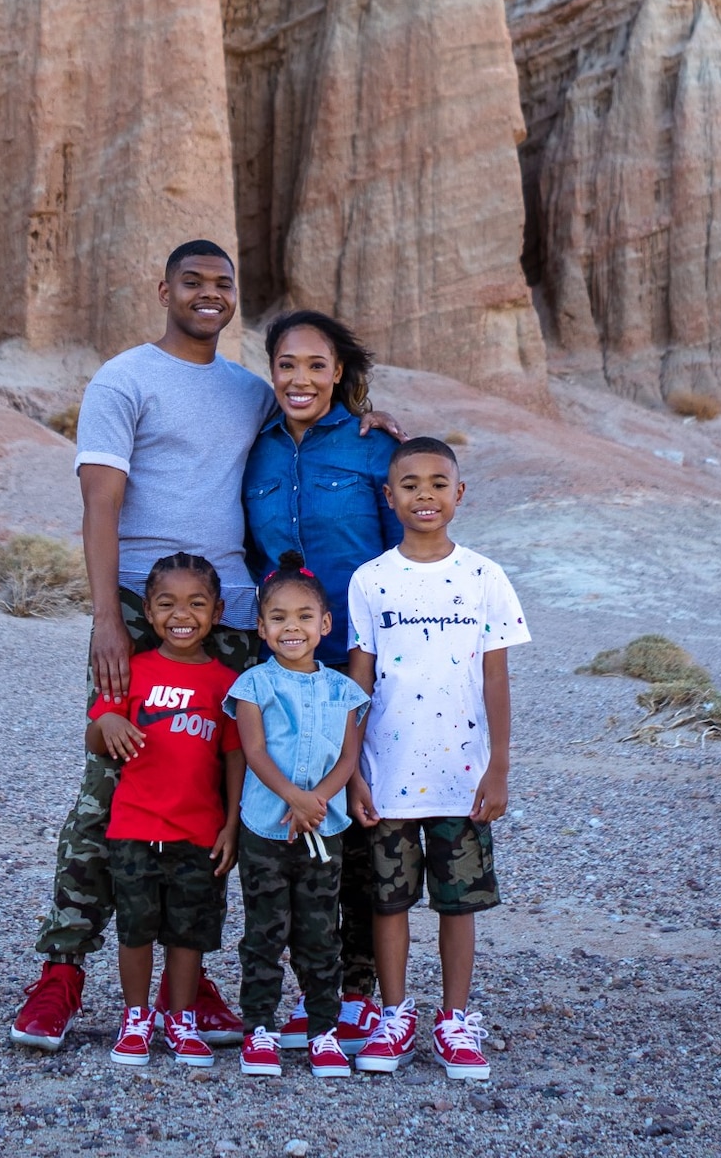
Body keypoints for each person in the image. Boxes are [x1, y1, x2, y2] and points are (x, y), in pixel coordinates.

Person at [11, 241, 400, 1053]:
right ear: (164, 289)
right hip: (140, 606)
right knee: (112, 788)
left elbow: (311, 422)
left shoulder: (250, 393)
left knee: (210, 798)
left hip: (232, 610)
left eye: (224, 284)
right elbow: (99, 503)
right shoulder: (124, 379)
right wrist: (108, 620)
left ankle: (190, 982)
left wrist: (371, 419)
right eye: (192, 282)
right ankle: (62, 971)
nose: (208, 295)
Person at [345, 437, 530, 1082]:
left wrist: (498, 765)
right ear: (388, 495)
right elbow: (357, 683)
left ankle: (455, 1020)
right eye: (410, 484)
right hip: (389, 776)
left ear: (459, 494)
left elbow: (497, 679)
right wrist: (353, 773)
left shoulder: (485, 577)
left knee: (459, 903)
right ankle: (395, 1016)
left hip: (461, 776)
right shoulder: (370, 580)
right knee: (389, 902)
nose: (424, 494)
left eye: (438, 483)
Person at [242, 309, 401, 1055]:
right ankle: (292, 992)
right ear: (269, 370)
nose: (299, 379)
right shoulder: (258, 452)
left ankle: (358, 992)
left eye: (315, 365)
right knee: (280, 823)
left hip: (360, 667)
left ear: (339, 373)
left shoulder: (376, 450)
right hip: (282, 668)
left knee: (360, 828)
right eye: (285, 364)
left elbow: (406, 562)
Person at [84, 553, 243, 1071]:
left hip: (198, 833)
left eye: (196, 603)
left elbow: (235, 757)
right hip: (134, 828)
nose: (182, 614)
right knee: (136, 929)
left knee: (187, 933)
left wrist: (231, 824)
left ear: (217, 611)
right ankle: (136, 1018)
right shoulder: (134, 669)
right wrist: (106, 722)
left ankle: (180, 1018)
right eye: (167, 603)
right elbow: (96, 732)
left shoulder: (224, 683)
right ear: (148, 613)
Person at [223, 552, 370, 1080]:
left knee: (318, 933)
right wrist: (293, 797)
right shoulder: (252, 687)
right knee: (264, 930)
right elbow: (255, 751)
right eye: (279, 618)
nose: (293, 627)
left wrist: (318, 800)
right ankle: (259, 1029)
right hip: (266, 826)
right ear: (262, 628)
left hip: (324, 832)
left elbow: (349, 757)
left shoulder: (344, 691)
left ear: (324, 625)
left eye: (305, 617)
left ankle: (322, 1032)